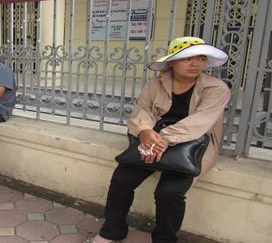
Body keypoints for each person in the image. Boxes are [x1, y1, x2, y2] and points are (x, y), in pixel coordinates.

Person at [87, 36, 231, 243]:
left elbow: (201, 122)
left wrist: (161, 140)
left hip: (194, 145)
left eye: (201, 58)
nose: (195, 63)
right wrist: (144, 131)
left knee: (169, 192)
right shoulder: (156, 83)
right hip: (152, 139)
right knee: (121, 180)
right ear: (172, 62)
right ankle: (112, 231)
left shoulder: (216, 89)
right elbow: (142, 110)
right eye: (187, 58)